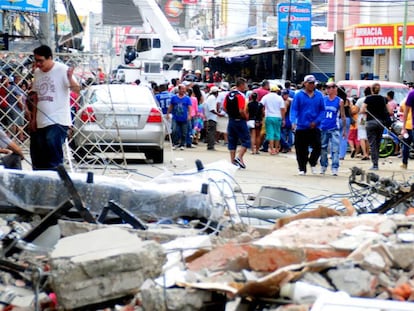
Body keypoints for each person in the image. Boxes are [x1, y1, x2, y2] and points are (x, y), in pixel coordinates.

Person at [31, 45, 80, 170]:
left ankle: (57, 173)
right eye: (36, 60)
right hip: (41, 119)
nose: (38, 64)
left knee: (51, 142)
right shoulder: (37, 72)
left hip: (58, 118)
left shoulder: (62, 70)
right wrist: (33, 118)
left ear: (49, 58)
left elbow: (77, 90)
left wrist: (70, 78)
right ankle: (42, 176)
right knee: (40, 151)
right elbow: (36, 96)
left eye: (40, 60)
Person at [290, 75, 325, 175]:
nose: (311, 85)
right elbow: (294, 109)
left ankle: (312, 162)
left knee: (318, 146)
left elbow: (322, 110)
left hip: (315, 126)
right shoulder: (298, 95)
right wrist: (293, 121)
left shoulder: (319, 95)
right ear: (305, 83)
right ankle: (302, 168)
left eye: (313, 83)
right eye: (309, 83)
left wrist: (317, 121)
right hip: (301, 126)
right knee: (301, 149)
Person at [361, 82, 393, 170]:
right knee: (378, 143)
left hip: (370, 122)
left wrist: (368, 111)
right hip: (381, 123)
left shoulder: (368, 99)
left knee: (372, 143)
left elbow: (362, 110)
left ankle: (375, 164)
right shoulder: (383, 99)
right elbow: (390, 111)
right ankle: (376, 162)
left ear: (371, 90)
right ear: (379, 90)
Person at [319, 82, 346, 176]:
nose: (328, 89)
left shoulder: (339, 101)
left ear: (335, 89)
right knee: (323, 148)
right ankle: (323, 165)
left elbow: (342, 115)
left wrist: (344, 130)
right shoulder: (323, 99)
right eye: (327, 87)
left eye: (330, 87)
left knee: (335, 149)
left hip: (334, 127)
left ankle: (335, 167)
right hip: (323, 126)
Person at [223, 77, 250, 169]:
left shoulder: (228, 95)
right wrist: (246, 117)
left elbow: (224, 107)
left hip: (231, 120)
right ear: (241, 85)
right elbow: (241, 110)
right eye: (245, 84)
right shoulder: (240, 96)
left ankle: (232, 161)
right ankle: (239, 157)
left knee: (232, 141)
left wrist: (230, 114)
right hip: (239, 120)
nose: (246, 86)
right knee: (246, 140)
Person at [261, 85, 286, 155]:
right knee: (277, 133)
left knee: (270, 133)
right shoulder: (279, 98)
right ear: (277, 91)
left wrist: (263, 112)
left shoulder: (266, 97)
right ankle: (277, 149)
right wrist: (283, 119)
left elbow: (261, 105)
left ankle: (272, 149)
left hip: (269, 117)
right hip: (278, 117)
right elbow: (282, 109)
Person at [166, 84, 192, 150]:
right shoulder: (174, 98)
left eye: (184, 89)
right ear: (179, 90)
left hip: (184, 118)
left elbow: (189, 107)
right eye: (182, 89)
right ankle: (175, 143)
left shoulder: (187, 98)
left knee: (184, 132)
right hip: (175, 117)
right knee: (174, 130)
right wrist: (168, 113)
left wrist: (189, 115)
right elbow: (171, 106)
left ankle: (182, 144)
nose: (183, 90)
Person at [204, 86, 223, 150]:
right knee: (212, 132)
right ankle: (210, 145)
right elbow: (212, 109)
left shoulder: (210, 98)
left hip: (210, 117)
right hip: (211, 117)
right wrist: (218, 114)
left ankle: (210, 145)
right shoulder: (212, 98)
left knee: (211, 131)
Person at [355, 86, 371, 160]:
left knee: (362, 136)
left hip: (362, 118)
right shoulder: (372, 100)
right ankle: (367, 153)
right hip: (370, 119)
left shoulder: (360, 100)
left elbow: (356, 110)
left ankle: (364, 153)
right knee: (368, 137)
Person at [400, 98, 412, 169]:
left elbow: (401, 110)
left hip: (408, 126)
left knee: (406, 145)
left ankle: (404, 163)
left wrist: (403, 128)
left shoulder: (406, 101)